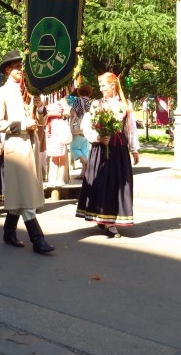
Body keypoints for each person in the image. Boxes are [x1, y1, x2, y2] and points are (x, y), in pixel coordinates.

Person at [0, 50, 54, 254]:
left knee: (21, 192)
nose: (21, 71)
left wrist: (41, 108)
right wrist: (22, 125)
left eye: (22, 67)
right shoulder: (1, 93)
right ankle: (38, 240)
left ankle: (9, 231)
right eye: (17, 67)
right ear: (8, 70)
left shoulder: (31, 91)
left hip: (32, 145)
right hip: (16, 146)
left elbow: (41, 121)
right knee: (25, 193)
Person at [76, 72, 140, 238]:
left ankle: (111, 221)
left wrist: (134, 149)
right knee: (101, 183)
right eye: (100, 86)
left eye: (103, 85)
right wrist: (97, 137)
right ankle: (102, 216)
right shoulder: (97, 104)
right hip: (101, 148)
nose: (101, 89)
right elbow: (86, 125)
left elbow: (130, 128)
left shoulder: (125, 104)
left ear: (113, 85)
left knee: (117, 184)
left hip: (118, 149)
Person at [69, 84, 92, 178]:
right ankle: (84, 173)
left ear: (79, 91)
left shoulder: (77, 100)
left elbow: (72, 113)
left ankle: (87, 164)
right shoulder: (91, 102)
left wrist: (71, 123)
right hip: (88, 130)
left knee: (74, 148)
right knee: (84, 151)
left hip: (79, 129)